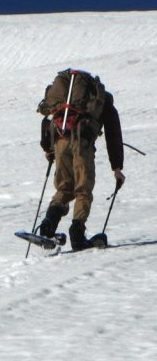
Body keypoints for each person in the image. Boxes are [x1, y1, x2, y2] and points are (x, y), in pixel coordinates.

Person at [37, 70, 126, 250]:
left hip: (60, 141)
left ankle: (48, 224)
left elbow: (47, 120)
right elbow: (113, 135)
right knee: (83, 190)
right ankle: (77, 234)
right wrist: (117, 168)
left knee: (64, 187)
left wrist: (49, 149)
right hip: (82, 144)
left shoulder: (65, 103)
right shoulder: (103, 102)